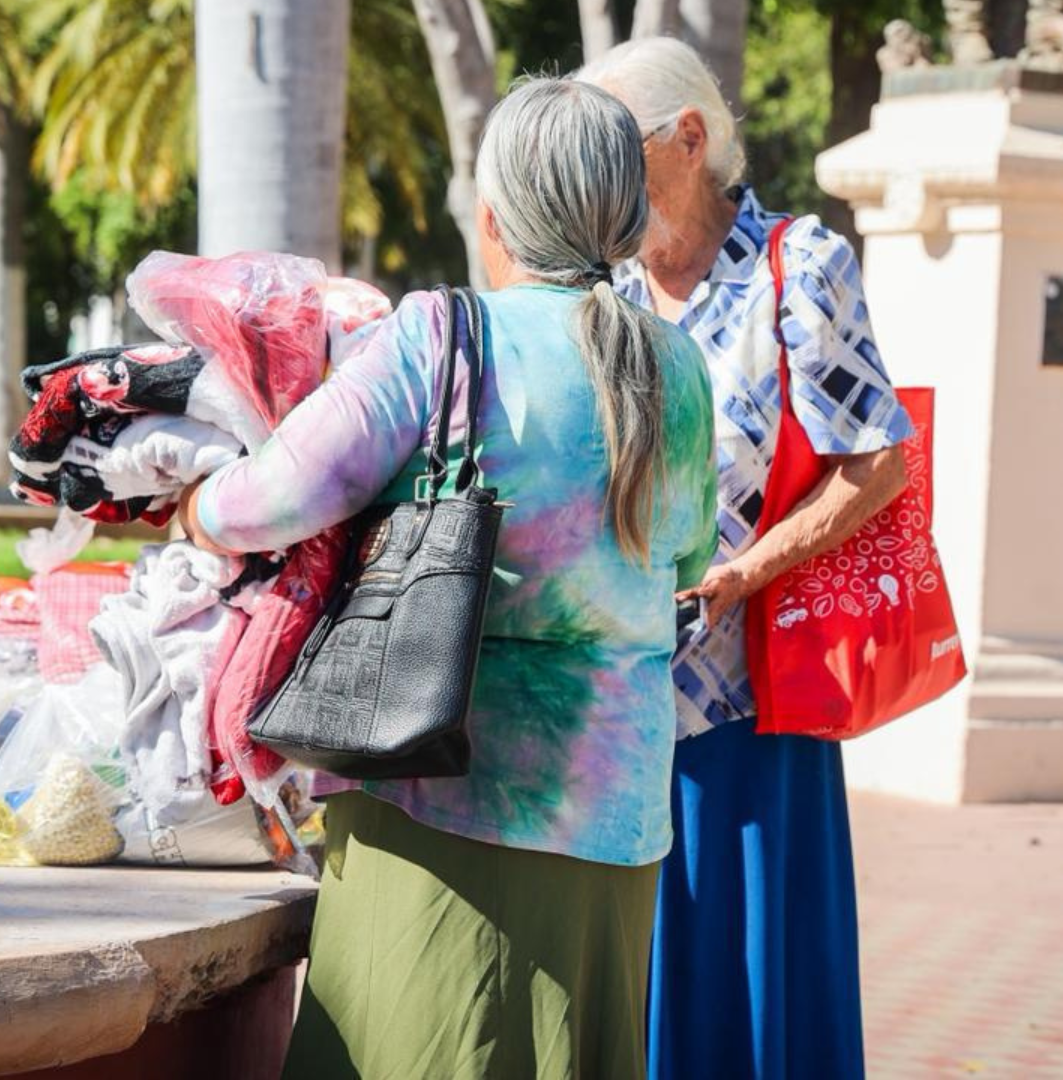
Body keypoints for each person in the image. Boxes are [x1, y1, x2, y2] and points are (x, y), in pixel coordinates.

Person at [178, 77, 718, 1080]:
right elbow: (686, 557)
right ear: (626, 211)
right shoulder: (677, 365)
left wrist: (192, 509)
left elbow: (284, 494)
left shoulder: (443, 334)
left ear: (496, 214)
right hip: (614, 805)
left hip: (436, 780)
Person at [582, 37, 914, 1080]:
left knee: (760, 994)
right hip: (617, 706)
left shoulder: (796, 264)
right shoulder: (604, 298)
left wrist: (743, 572)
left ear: (689, 139)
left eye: (610, 150)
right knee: (638, 1000)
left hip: (750, 705)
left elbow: (878, 462)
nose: (592, 181)